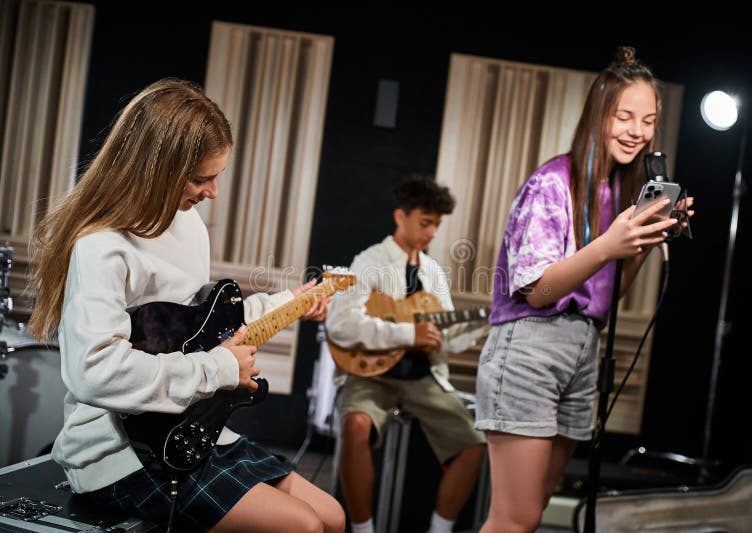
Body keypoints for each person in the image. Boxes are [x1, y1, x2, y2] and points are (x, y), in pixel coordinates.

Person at [27, 78, 345, 533]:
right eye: (201, 178)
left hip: (189, 429)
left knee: (332, 517)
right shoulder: (101, 247)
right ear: (154, 170)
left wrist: (290, 302)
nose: (213, 192)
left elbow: (200, 329)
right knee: (304, 527)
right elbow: (95, 373)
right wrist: (218, 370)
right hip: (118, 453)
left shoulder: (189, 224)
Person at [474, 47, 695, 532]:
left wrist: (641, 239)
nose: (637, 131)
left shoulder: (619, 192)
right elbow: (535, 290)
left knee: (534, 511)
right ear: (599, 114)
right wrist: (608, 244)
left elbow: (608, 296)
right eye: (625, 116)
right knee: (514, 518)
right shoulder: (553, 183)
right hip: (530, 346)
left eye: (649, 120)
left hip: (582, 348)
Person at [325, 175, 487, 533]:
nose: (431, 232)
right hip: (372, 375)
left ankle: (439, 529)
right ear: (401, 217)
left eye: (437, 225)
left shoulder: (434, 273)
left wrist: (480, 325)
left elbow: (445, 341)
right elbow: (340, 325)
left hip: (421, 377)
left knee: (474, 444)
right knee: (355, 425)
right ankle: (363, 529)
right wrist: (406, 333)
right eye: (425, 223)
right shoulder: (369, 261)